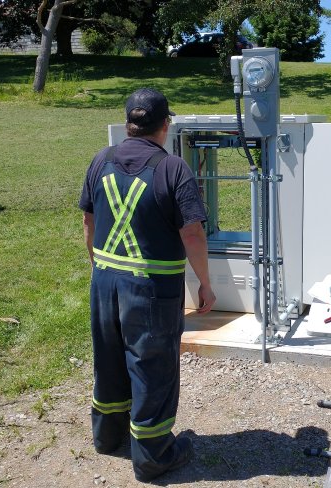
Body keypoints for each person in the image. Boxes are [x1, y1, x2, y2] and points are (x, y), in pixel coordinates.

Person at [79, 87, 216, 482]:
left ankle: (107, 437)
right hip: (152, 290)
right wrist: (204, 284)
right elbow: (192, 234)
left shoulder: (100, 160)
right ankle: (154, 456)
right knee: (152, 367)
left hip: (105, 282)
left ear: (128, 123)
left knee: (108, 358)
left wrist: (100, 269)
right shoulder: (173, 168)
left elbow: (88, 224)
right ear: (165, 124)